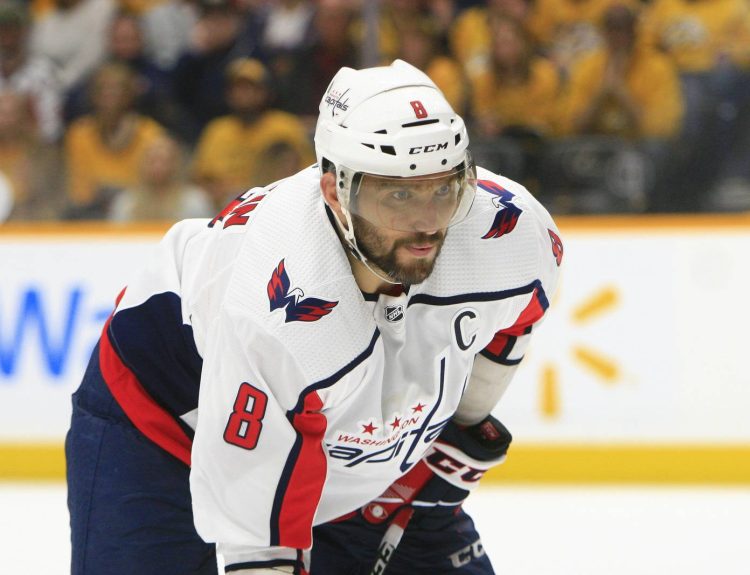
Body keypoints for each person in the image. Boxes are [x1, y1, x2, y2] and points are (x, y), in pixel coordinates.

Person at [65, 59, 563, 574]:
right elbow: (260, 551)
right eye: (397, 195)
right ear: (335, 193)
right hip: (164, 419)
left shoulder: (508, 230)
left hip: (343, 439)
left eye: (443, 189)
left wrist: (455, 432)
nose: (426, 225)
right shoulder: (277, 314)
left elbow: (517, 315)